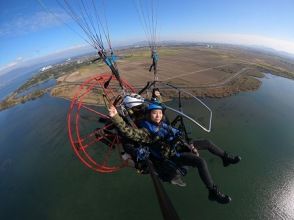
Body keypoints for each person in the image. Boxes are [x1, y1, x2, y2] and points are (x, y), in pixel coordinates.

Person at [109, 101, 241, 204]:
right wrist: (116, 117)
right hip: (171, 155)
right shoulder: (147, 132)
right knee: (200, 162)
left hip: (178, 145)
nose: (158, 116)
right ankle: (213, 192)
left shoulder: (162, 124)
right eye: (155, 113)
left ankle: (225, 158)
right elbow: (129, 132)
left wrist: (189, 145)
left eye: (160, 113)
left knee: (207, 142)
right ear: (149, 115)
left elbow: (174, 133)